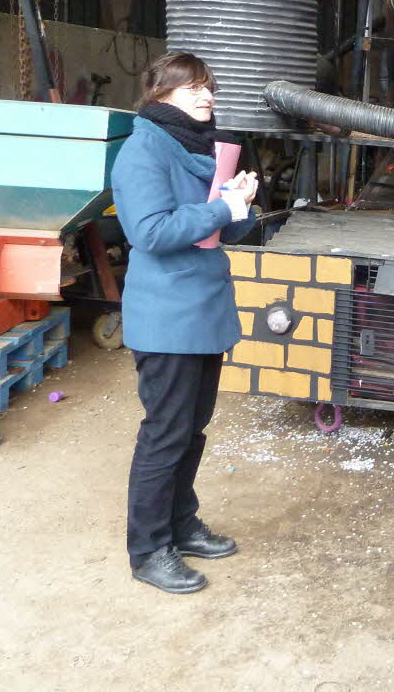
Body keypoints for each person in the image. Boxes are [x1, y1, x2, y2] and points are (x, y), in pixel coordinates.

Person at [111, 52, 259, 594]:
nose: (207, 96)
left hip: (202, 311)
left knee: (191, 429)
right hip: (167, 316)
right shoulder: (143, 150)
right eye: (193, 87)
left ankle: (180, 523)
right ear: (159, 94)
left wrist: (240, 206)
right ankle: (148, 549)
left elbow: (214, 231)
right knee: (165, 433)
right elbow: (149, 232)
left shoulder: (199, 148)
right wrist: (223, 208)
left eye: (209, 87)